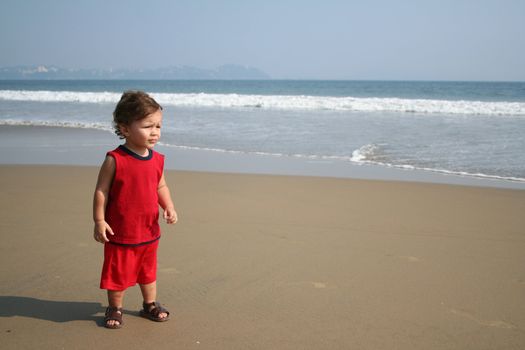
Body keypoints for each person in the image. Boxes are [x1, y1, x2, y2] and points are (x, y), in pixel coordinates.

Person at [93, 90, 178, 329]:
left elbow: (160, 185)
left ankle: (149, 304)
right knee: (117, 274)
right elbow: (102, 191)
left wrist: (169, 206)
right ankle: (115, 307)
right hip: (120, 232)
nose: (155, 132)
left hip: (149, 230)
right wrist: (99, 221)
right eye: (147, 126)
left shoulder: (157, 159)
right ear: (125, 128)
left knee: (148, 271)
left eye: (158, 126)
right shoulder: (115, 159)